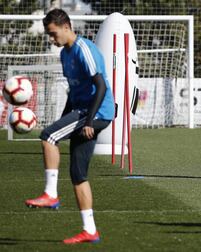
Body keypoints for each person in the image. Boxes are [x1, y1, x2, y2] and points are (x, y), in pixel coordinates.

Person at [25, 9, 115, 244]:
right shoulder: (65, 54)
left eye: (53, 34)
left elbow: (102, 87)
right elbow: (74, 92)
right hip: (84, 111)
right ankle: (90, 230)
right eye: (49, 35)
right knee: (78, 174)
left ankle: (51, 194)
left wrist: (87, 121)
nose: (52, 40)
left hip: (96, 112)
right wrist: (65, 119)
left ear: (66, 26)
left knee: (48, 137)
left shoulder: (84, 49)